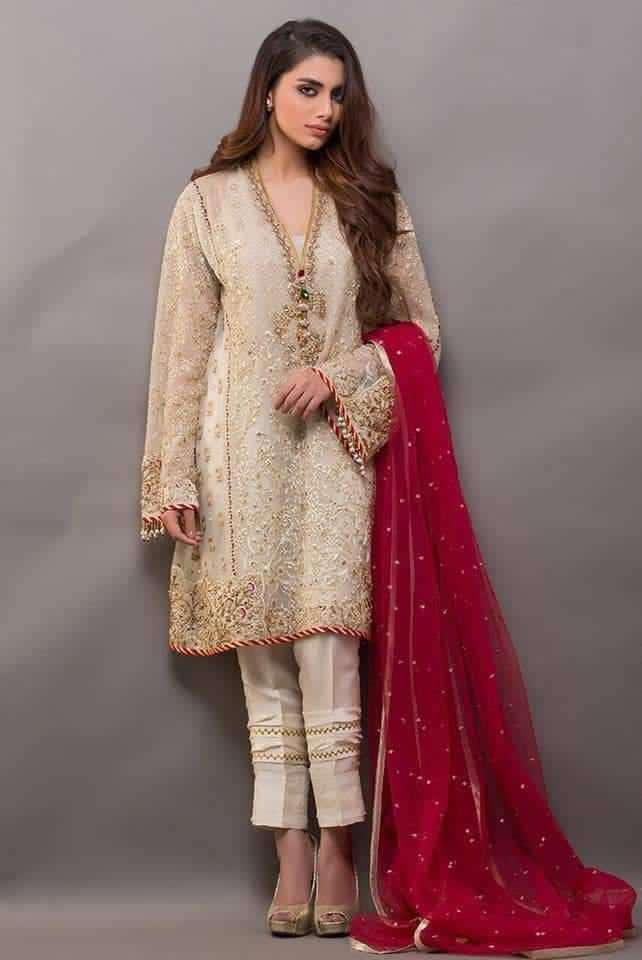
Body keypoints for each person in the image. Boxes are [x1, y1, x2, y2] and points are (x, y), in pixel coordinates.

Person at [139, 17, 637, 954]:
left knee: (330, 656)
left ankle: (338, 849)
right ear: (268, 92)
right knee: (263, 669)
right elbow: (182, 346)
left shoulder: (370, 196)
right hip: (238, 454)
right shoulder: (207, 203)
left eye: (338, 94)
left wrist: (339, 375)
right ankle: (288, 852)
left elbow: (423, 331)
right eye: (308, 90)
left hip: (333, 453)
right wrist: (173, 472)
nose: (325, 110)